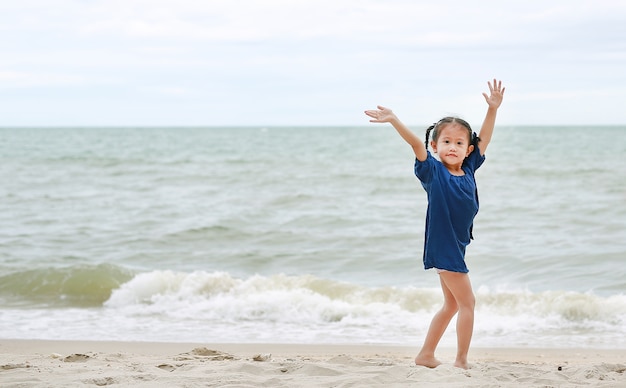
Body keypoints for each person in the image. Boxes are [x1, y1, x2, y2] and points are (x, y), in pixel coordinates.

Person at [364, 79, 505, 369]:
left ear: (468, 149)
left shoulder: (468, 169)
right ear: (435, 145)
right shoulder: (432, 171)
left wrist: (492, 110)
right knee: (468, 303)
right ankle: (462, 361)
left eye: (459, 143)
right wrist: (394, 120)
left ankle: (426, 355)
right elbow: (416, 143)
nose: (452, 147)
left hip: (455, 246)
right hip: (444, 249)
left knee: (452, 304)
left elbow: (485, 139)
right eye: (446, 142)